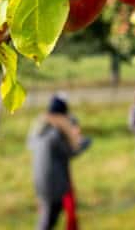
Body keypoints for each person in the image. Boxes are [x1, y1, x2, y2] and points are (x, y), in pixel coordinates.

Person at [27, 94, 91, 230]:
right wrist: (84, 143)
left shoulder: (38, 128)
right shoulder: (55, 133)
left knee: (47, 218)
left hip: (39, 181)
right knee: (48, 220)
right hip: (54, 184)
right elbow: (70, 152)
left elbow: (31, 146)